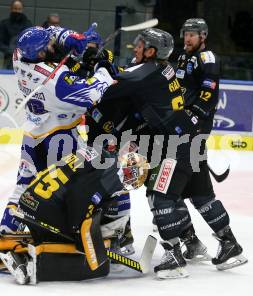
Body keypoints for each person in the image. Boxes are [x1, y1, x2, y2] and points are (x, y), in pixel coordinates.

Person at [84, 27, 201, 279]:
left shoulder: (145, 72)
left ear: (151, 51)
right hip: (175, 141)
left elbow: (106, 89)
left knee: (160, 197)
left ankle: (175, 257)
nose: (134, 48)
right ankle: (190, 242)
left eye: (140, 45)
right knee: (158, 192)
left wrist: (99, 65)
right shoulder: (159, 68)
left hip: (177, 146)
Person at [0, 26, 116, 239]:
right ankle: (71, 230)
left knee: (24, 185)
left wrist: (70, 37)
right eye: (50, 45)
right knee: (75, 184)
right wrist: (104, 68)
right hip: (60, 138)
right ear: (42, 53)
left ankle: (6, 232)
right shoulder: (54, 82)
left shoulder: (19, 56)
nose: (54, 45)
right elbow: (91, 92)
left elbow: (49, 31)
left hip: (33, 134)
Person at [0, 147, 149, 284]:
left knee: (76, 224)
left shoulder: (98, 153)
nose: (131, 183)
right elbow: (78, 197)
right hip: (46, 208)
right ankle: (21, 255)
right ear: (130, 171)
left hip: (32, 199)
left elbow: (76, 187)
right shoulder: (113, 175)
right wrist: (77, 232)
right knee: (72, 243)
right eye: (134, 179)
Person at [175, 18, 247, 270]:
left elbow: (207, 96)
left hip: (192, 133)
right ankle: (204, 241)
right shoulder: (183, 57)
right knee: (194, 191)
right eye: (186, 34)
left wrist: (191, 120)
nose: (188, 38)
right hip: (181, 131)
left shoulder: (208, 59)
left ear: (203, 36)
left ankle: (216, 242)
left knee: (180, 191)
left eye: (193, 35)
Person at [0, 0, 32, 69]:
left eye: (19, 9)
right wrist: (11, 52)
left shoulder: (28, 24)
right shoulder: (4, 24)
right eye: (15, 8)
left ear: (22, 9)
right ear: (11, 9)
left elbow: (31, 42)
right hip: (9, 59)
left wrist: (23, 53)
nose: (17, 11)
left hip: (25, 60)